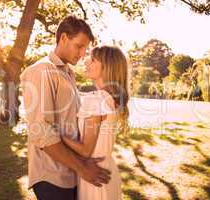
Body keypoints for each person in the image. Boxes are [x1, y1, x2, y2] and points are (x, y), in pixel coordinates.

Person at [20, 16, 111, 200]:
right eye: (79, 46)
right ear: (63, 38)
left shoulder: (67, 73)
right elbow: (41, 131)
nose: (82, 53)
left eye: (85, 48)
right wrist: (82, 168)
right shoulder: (42, 71)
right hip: (53, 177)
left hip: (71, 173)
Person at [62, 46, 129, 200]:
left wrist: (57, 134)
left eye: (92, 60)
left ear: (106, 67)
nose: (86, 62)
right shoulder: (110, 98)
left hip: (95, 175)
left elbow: (85, 150)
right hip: (107, 171)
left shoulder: (96, 99)